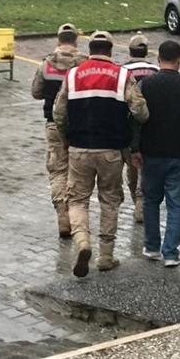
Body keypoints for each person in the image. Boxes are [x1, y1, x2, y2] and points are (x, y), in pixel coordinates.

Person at [53, 30, 149, 278]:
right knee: (109, 200)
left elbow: (59, 113)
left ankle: (82, 241)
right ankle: (106, 255)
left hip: (79, 149)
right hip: (111, 151)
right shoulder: (122, 76)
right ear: (110, 51)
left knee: (77, 199)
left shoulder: (73, 75)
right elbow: (140, 112)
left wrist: (65, 139)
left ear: (90, 50)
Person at [130, 40, 180, 268]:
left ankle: (151, 247)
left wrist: (135, 148)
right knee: (177, 204)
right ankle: (171, 253)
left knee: (150, 201)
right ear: (179, 59)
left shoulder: (146, 85)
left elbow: (137, 118)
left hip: (151, 152)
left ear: (158, 59)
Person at [31, 23, 87, 239]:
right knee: (78, 172)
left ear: (58, 41)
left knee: (58, 171)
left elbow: (36, 92)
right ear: (75, 41)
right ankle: (78, 218)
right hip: (80, 126)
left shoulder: (46, 64)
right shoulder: (84, 63)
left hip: (53, 125)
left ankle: (63, 216)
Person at [122, 34, 160, 224]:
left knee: (132, 167)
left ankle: (137, 201)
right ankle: (141, 199)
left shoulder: (123, 71)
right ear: (146, 51)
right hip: (151, 127)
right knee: (145, 166)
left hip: (130, 128)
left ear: (130, 51)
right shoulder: (156, 70)